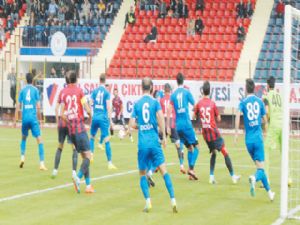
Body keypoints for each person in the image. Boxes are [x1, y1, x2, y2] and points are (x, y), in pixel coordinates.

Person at [129, 77, 177, 213]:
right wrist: (164, 137)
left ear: (141, 87)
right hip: (155, 143)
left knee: (142, 174)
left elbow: (131, 124)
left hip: (143, 144)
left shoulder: (137, 103)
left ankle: (148, 202)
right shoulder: (155, 102)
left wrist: (141, 126)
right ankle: (173, 200)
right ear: (151, 88)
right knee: (164, 171)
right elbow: (161, 117)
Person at [234, 78, 275, 201]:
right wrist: (266, 132)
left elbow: (237, 114)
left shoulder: (243, 102)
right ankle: (253, 178)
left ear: (246, 89)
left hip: (248, 141)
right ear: (255, 88)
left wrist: (236, 134)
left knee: (260, 167)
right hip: (258, 139)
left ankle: (270, 193)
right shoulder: (260, 101)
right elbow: (265, 119)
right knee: (261, 169)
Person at [194, 81, 240, 184]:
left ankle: (211, 177)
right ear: (210, 91)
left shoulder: (199, 103)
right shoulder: (212, 103)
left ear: (202, 91)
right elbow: (218, 119)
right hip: (213, 132)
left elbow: (193, 117)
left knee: (214, 152)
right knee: (224, 151)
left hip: (205, 134)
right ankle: (233, 176)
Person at [60, 70, 94, 194]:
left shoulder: (63, 92)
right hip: (80, 128)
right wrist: (90, 115)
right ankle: (78, 177)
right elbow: (87, 109)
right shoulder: (80, 92)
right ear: (76, 80)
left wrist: (69, 123)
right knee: (89, 156)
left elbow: (62, 115)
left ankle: (88, 186)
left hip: (71, 131)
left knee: (84, 156)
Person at [167, 73, 199, 180]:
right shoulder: (186, 92)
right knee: (197, 147)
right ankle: (191, 169)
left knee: (189, 148)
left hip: (178, 126)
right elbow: (195, 106)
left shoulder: (173, 94)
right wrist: (194, 114)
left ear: (176, 81)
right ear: (183, 80)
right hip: (186, 124)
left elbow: (169, 109)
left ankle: (190, 173)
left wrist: (168, 125)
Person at [14, 72, 47, 170]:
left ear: (25, 80)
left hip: (24, 119)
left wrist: (15, 120)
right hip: (33, 119)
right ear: (32, 80)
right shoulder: (35, 90)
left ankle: (22, 158)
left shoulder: (22, 90)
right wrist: (40, 120)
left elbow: (18, 106)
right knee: (40, 140)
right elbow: (38, 106)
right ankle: (41, 164)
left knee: (23, 138)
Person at [51, 74, 78, 179]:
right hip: (70, 122)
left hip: (62, 123)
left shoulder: (62, 92)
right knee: (74, 148)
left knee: (60, 146)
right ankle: (74, 173)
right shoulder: (75, 91)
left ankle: (55, 170)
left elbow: (56, 108)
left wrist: (58, 120)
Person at [89, 73, 117, 170]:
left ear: (99, 80)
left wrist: (91, 113)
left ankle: (91, 155)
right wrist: (110, 121)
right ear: (105, 81)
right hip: (103, 118)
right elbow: (109, 107)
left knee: (92, 137)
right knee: (106, 140)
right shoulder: (106, 92)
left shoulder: (95, 91)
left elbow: (90, 102)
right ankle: (109, 163)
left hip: (95, 116)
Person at [160, 83, 186, 174]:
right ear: (170, 90)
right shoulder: (173, 99)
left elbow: (159, 113)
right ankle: (182, 165)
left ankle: (155, 165)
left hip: (164, 123)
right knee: (178, 145)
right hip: (172, 123)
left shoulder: (161, 100)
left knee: (158, 145)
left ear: (164, 90)